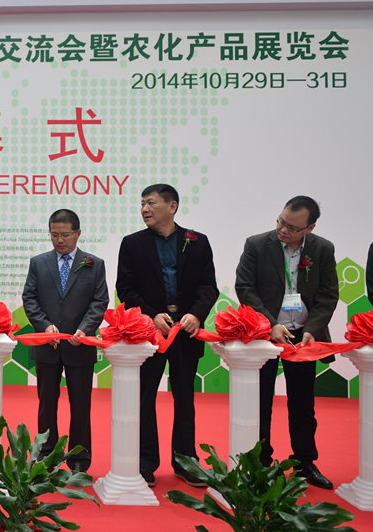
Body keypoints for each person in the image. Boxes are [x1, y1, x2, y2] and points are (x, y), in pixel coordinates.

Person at [116, 184, 218, 487]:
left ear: (172, 206)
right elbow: (125, 289)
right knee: (145, 398)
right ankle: (145, 462)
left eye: (151, 203)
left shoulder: (197, 241)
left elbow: (208, 286)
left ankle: (186, 461)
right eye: (142, 204)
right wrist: (150, 315)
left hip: (186, 331)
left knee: (185, 398)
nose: (145, 209)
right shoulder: (132, 244)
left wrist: (196, 314)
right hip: (150, 333)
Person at [235, 195, 338, 489]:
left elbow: (328, 294)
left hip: (302, 337)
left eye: (293, 228)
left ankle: (304, 462)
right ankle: (261, 465)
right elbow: (245, 288)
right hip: (265, 335)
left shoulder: (323, 249)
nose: (283, 230)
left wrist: (313, 329)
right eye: (281, 222)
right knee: (261, 402)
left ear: (310, 228)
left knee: (303, 403)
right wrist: (271, 324)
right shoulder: (257, 244)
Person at [21, 209, 108, 472]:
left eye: (65, 235)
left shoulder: (94, 264)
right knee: (46, 404)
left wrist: (85, 329)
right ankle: (46, 454)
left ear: (78, 233)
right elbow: (29, 298)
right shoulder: (39, 263)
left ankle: (79, 458)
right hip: (47, 346)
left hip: (79, 345)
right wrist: (44, 326)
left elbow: (99, 301)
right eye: (54, 235)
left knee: (80, 405)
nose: (59, 240)